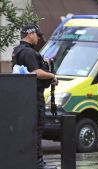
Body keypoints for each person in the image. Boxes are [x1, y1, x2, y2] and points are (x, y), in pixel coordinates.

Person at [12, 23, 57, 169]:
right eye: (37, 35)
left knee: (27, 130)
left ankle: (28, 161)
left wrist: (45, 62)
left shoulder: (17, 51)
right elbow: (36, 72)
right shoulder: (29, 53)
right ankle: (38, 163)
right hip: (34, 97)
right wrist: (52, 75)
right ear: (30, 34)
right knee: (37, 129)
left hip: (23, 97)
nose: (38, 38)